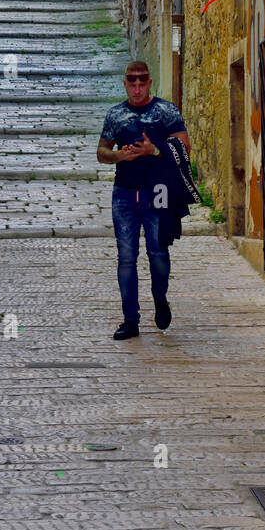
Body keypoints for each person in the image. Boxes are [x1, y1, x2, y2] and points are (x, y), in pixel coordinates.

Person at [97, 61, 191, 340]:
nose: (137, 87)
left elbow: (185, 147)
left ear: (150, 83)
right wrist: (118, 156)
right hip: (124, 193)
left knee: (158, 252)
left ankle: (160, 298)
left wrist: (154, 150)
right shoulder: (115, 115)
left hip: (158, 192)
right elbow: (102, 151)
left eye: (142, 82)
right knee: (126, 257)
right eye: (132, 82)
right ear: (125, 84)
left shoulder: (166, 111)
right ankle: (130, 320)